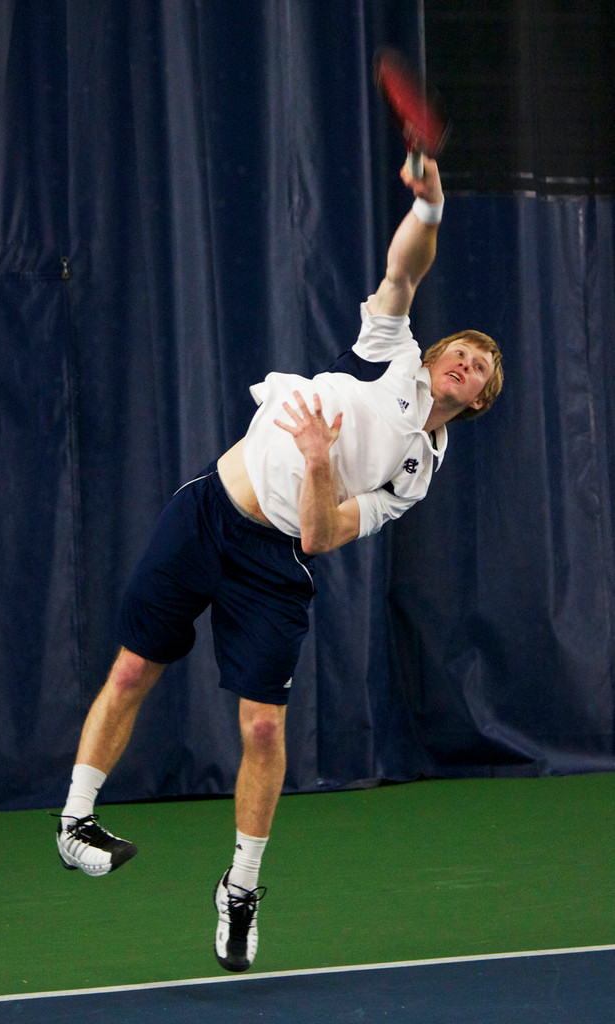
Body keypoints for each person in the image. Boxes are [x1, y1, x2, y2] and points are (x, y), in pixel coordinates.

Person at [55, 155, 503, 973]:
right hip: (206, 514)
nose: (465, 362)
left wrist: (317, 456)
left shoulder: (415, 475)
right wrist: (430, 209)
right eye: (461, 351)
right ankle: (76, 819)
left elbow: (322, 538)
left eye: (480, 367)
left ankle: (242, 887)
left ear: (475, 401)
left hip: (274, 564)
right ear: (434, 358)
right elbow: (403, 273)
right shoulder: (392, 356)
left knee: (263, 727)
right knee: (131, 670)